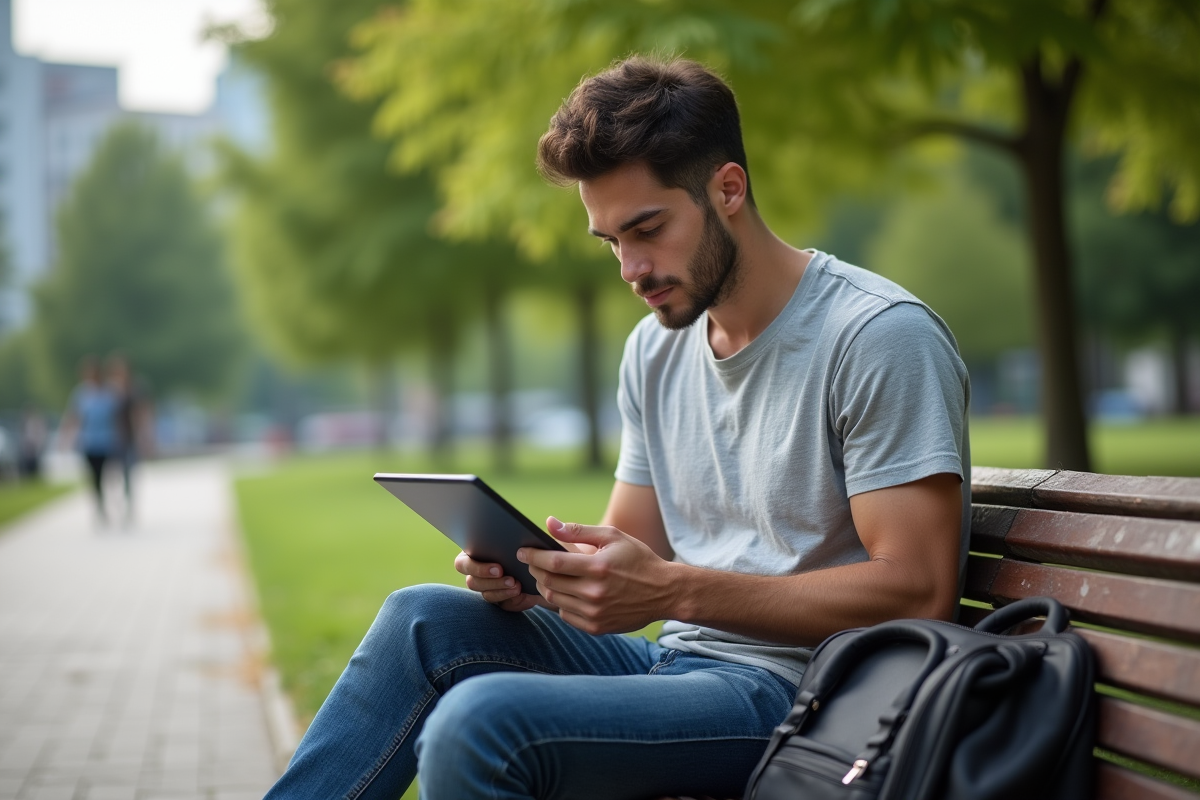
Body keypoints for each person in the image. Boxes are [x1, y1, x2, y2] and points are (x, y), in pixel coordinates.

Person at [265, 56, 970, 800]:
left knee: (481, 720)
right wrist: (547, 580)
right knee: (422, 620)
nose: (631, 268)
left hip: (805, 696)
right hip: (679, 668)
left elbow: (918, 591)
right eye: (609, 242)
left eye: (648, 229)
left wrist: (672, 593)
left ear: (728, 188)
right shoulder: (657, 347)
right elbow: (636, 544)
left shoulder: (876, 336)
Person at [59, 356, 120, 527]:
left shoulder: (109, 393)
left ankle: (109, 501)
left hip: (107, 441)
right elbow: (73, 417)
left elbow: (116, 418)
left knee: (107, 475)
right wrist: (66, 438)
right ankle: (100, 507)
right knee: (93, 478)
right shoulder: (81, 394)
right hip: (89, 442)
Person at [107, 353, 152, 522]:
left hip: (130, 437)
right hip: (112, 438)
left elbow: (143, 412)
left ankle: (128, 505)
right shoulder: (110, 390)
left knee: (128, 473)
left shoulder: (136, 389)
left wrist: (145, 436)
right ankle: (115, 500)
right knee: (112, 474)